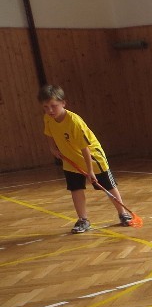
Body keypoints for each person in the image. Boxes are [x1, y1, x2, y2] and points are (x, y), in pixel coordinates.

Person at [40, 85, 133, 233]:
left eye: (54, 106)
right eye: (46, 107)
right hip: (70, 160)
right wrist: (52, 148)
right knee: (75, 189)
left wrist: (90, 171)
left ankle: (123, 214)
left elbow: (85, 149)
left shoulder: (74, 122)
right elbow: (49, 133)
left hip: (93, 158)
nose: (50, 110)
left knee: (108, 185)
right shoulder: (48, 118)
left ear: (63, 103)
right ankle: (83, 220)